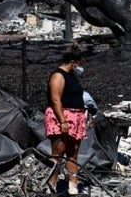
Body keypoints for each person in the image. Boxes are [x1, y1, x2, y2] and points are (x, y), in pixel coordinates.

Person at [44, 45, 88, 195]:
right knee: (58, 151)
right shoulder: (58, 75)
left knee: (73, 152)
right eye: (79, 63)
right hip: (62, 116)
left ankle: (73, 185)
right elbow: (56, 99)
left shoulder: (72, 76)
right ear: (73, 62)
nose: (80, 67)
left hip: (76, 116)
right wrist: (63, 121)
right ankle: (52, 183)